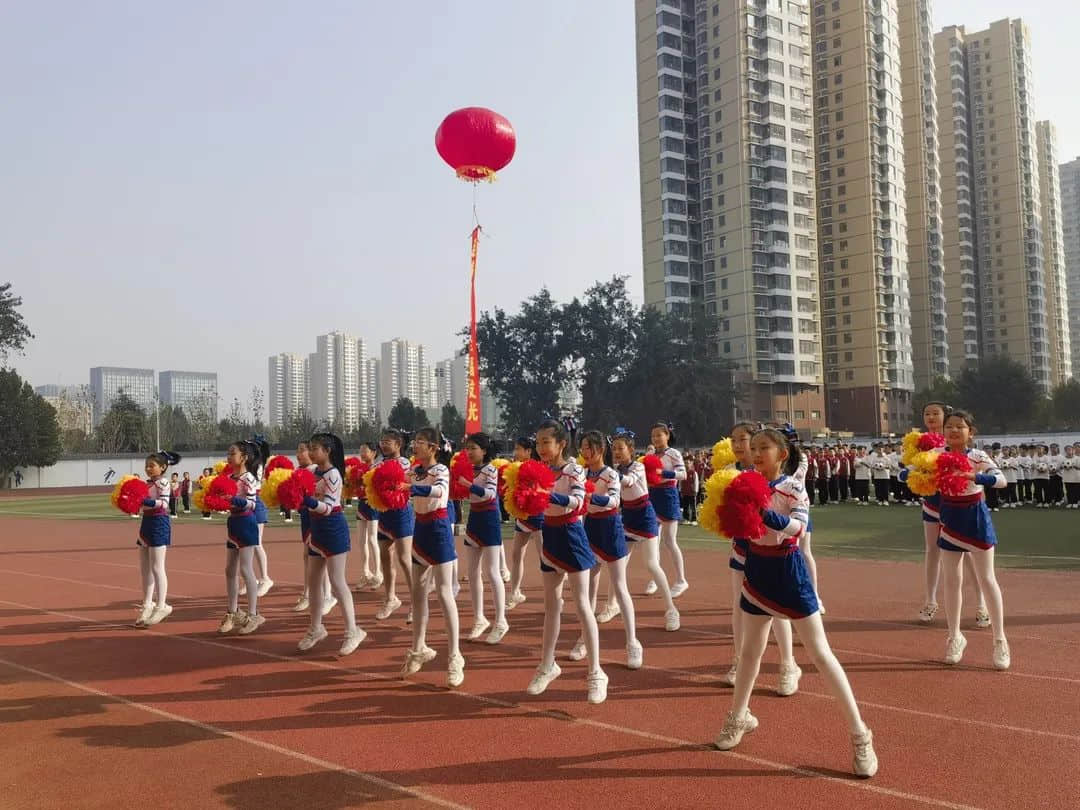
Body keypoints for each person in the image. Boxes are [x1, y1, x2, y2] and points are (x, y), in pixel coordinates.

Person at [713, 428, 878, 778]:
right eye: (752, 448)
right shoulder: (743, 481)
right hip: (756, 570)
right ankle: (738, 716)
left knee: (820, 654)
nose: (756, 453)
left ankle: (860, 733)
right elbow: (739, 529)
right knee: (749, 651)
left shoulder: (792, 487)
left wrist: (762, 513)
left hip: (789, 572)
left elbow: (797, 529)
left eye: (764, 448)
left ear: (782, 453)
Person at [525, 419, 608, 704]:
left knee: (582, 605)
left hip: (572, 535)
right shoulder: (537, 470)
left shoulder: (574, 469)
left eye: (546, 442)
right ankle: (547, 665)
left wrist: (547, 494)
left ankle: (596, 672)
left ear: (561, 443)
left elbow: (577, 501)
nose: (540, 448)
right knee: (552, 606)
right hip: (549, 534)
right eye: (537, 443)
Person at [721, 423, 798, 693]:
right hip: (742, 546)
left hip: (771, 548)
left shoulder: (777, 480)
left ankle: (788, 664)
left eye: (745, 440)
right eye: (735, 441)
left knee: (776, 608)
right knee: (739, 606)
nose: (740, 446)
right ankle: (738, 660)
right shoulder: (729, 473)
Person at [936, 411, 1010, 670]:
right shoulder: (935, 456)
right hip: (949, 519)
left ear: (971, 432)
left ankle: (1000, 639)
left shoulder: (977, 456)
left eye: (960, 427)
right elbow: (906, 475)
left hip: (976, 518)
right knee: (951, 580)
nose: (954, 431)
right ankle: (954, 636)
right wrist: (912, 478)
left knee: (987, 579)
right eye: (949, 427)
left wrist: (975, 477)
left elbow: (1002, 480)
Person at [402, 427, 464, 687]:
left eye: (421, 443)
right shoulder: (413, 470)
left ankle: (455, 657)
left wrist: (412, 488)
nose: (415, 446)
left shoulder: (440, 470)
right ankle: (419, 648)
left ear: (434, 448)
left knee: (444, 592)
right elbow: (402, 488)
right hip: (421, 529)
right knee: (417, 592)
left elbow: (439, 492)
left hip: (439, 529)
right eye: (414, 442)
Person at [296, 432, 366, 656]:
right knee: (314, 581)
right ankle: (316, 628)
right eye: (310, 448)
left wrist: (306, 500)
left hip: (333, 528)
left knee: (337, 582)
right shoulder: (312, 472)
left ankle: (353, 630)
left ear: (327, 451)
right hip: (316, 529)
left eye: (315, 448)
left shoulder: (333, 474)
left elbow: (327, 507)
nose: (310, 452)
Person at [578, 430, 641, 670]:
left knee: (619, 586)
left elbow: (615, 500)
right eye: (582, 448)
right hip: (590, 527)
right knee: (589, 586)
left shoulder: (610, 474)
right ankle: (584, 638)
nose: (585, 452)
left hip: (611, 527)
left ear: (599, 449)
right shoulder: (581, 473)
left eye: (589, 447)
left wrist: (590, 496)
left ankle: (632, 641)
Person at [612, 429, 680, 632]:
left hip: (645, 516)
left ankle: (671, 609)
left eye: (620, 448)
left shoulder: (638, 467)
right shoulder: (616, 469)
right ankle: (611, 604)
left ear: (631, 450)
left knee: (651, 564)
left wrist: (611, 474)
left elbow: (629, 482)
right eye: (614, 448)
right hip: (628, 517)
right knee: (618, 563)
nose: (616, 452)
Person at [457, 432, 509, 645]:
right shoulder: (468, 469)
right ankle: (479, 618)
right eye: (467, 448)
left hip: (489, 519)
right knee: (472, 571)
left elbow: (489, 494)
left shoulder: (490, 469)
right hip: (474, 519)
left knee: (492, 571)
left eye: (474, 448)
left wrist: (468, 485)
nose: (469, 452)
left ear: (484, 451)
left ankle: (501, 620)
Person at [218, 440, 265, 635]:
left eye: (232, 453)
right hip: (233, 524)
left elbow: (252, 504)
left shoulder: (249, 478)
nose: (229, 457)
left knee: (246, 569)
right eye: (228, 453)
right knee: (229, 570)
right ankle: (233, 612)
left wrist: (233, 500)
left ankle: (254, 614)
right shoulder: (229, 477)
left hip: (247, 523)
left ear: (243, 457)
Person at [134, 450, 181, 627]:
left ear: (163, 467)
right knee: (144, 567)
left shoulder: (163, 482)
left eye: (152, 465)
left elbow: (164, 503)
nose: (148, 468)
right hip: (146, 523)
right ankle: (147, 604)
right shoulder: (146, 483)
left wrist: (146, 502)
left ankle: (162, 605)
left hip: (159, 523)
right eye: (146, 465)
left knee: (157, 567)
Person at [374, 428, 417, 621]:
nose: (383, 444)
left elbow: (403, 484)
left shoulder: (405, 463)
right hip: (384, 513)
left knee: (405, 559)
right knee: (385, 556)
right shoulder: (379, 462)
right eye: (382, 441)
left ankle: (416, 602)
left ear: (398, 445)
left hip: (401, 512)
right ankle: (390, 598)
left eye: (388, 442)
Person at [645, 423, 689, 598]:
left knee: (670, 541)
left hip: (668, 496)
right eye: (653, 436)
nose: (655, 439)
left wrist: (663, 473)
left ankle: (681, 580)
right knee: (652, 541)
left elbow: (683, 474)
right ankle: (656, 577)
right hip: (652, 495)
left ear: (667, 435)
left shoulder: (674, 453)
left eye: (659, 435)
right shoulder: (650, 454)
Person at [507, 436, 542, 610]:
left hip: (537, 517)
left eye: (519, 449)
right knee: (516, 555)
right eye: (515, 449)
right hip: (522, 517)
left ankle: (552, 597)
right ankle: (514, 593)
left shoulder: (536, 467)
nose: (516, 452)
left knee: (545, 559)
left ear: (528, 451)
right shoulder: (515, 467)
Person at [355, 441, 383, 592]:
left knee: (372, 539)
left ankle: (378, 573)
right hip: (361, 505)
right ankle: (365, 572)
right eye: (361, 450)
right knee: (361, 540)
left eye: (365, 450)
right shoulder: (359, 468)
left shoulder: (377, 468)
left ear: (373, 453)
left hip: (372, 505)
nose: (362, 453)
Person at [679, 455, 699, 525]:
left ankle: (694, 520)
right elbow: (680, 482)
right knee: (685, 507)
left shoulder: (693, 473)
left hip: (692, 493)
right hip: (685, 492)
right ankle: (686, 519)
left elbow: (696, 482)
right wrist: (680, 490)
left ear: (691, 464)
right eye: (685, 463)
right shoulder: (683, 473)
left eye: (688, 463)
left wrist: (695, 491)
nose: (686, 464)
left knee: (693, 507)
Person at [1063, 445, 1080, 509]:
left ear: (1073, 450)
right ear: (1065, 451)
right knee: (1069, 491)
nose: (1069, 451)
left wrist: (1073, 466)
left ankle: (1075, 503)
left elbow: (1079, 467)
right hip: (1067, 478)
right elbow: (1061, 466)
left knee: (1076, 491)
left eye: (1070, 449)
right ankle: (1070, 503)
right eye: (1067, 450)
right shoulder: (1063, 458)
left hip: (1076, 478)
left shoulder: (1077, 458)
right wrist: (1065, 466)